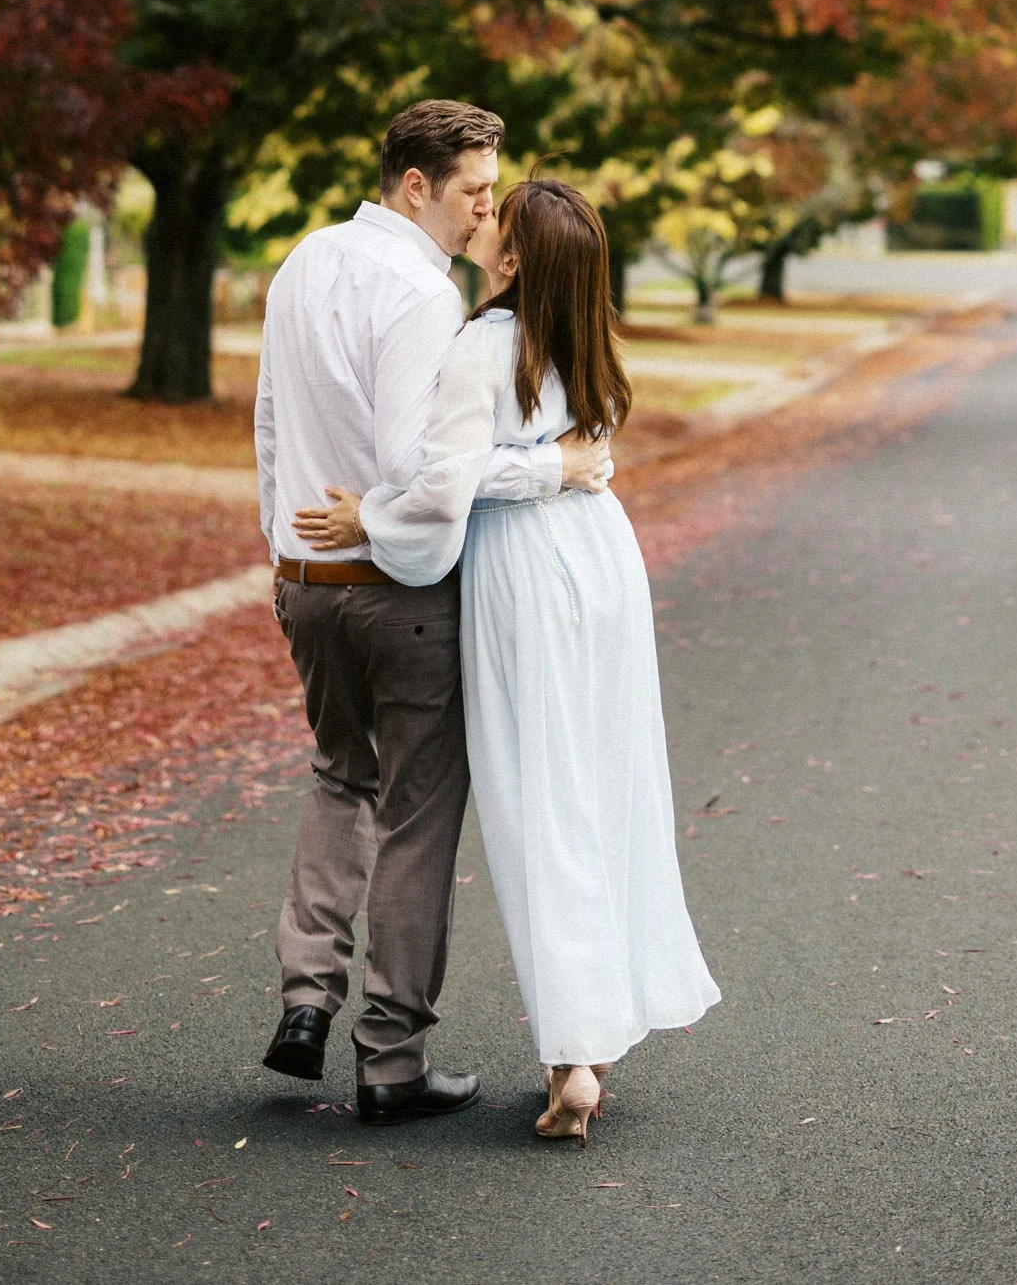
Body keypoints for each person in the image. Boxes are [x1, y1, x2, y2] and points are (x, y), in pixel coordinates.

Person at [294, 176, 720, 1144]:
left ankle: (572, 1054)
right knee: (607, 782)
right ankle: (600, 1028)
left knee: (543, 801)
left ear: (517, 259)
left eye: (500, 218)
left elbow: (441, 487)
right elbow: (577, 456)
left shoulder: (481, 346)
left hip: (525, 573)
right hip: (602, 561)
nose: (481, 220)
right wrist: (554, 465)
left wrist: (371, 514)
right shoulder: (593, 346)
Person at [255, 101, 610, 1127]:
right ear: (415, 186)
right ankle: (390, 1057)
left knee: (337, 775)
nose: (480, 214)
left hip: (305, 582)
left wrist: (279, 542)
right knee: (415, 816)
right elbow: (429, 473)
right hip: (397, 589)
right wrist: (555, 466)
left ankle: (304, 999)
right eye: (471, 194)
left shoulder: (305, 260)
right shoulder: (420, 292)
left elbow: (271, 417)